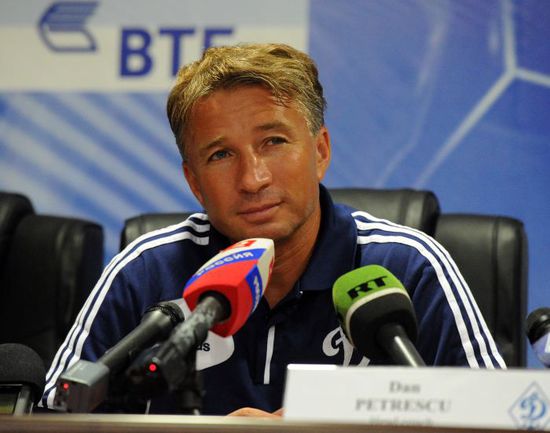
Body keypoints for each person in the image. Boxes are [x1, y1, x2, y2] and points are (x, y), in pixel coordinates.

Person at [41, 43, 504, 416]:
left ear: (320, 152)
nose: (253, 179)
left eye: (274, 142)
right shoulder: (145, 272)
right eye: (221, 155)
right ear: (194, 183)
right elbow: (53, 417)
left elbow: (497, 418)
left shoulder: (408, 266)